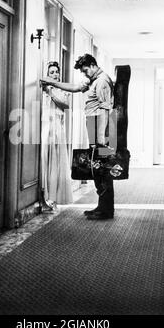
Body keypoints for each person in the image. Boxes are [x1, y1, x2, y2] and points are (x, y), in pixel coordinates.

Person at [40, 54, 115, 220]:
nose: (85, 74)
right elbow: (75, 87)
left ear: (93, 65)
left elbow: (106, 110)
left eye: (86, 70)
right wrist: (52, 82)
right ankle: (103, 206)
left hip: (101, 127)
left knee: (101, 166)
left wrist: (101, 139)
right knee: (98, 166)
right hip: (95, 125)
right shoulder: (93, 79)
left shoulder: (102, 81)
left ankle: (106, 209)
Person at [40, 61, 73, 209]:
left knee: (56, 161)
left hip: (57, 128)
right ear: (47, 74)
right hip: (44, 127)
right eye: (51, 72)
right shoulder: (42, 90)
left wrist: (51, 92)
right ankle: (44, 197)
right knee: (44, 161)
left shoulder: (62, 90)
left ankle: (53, 197)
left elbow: (65, 106)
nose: (54, 74)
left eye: (56, 72)